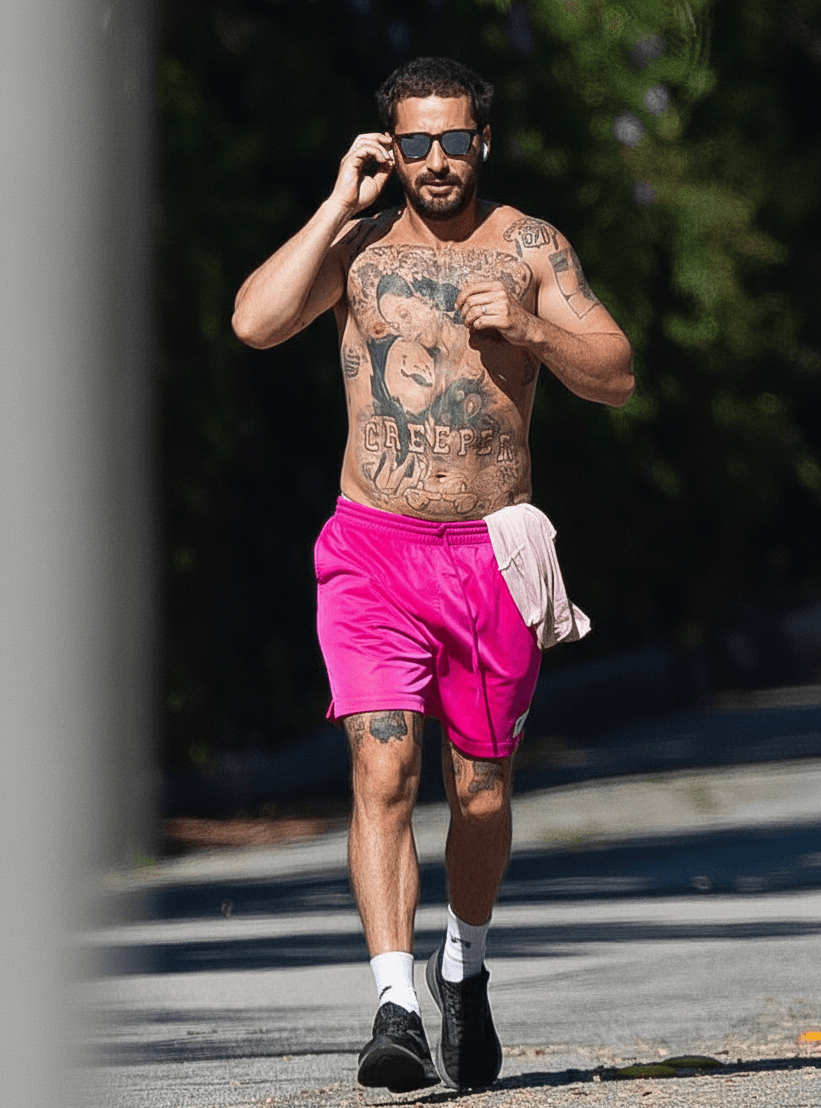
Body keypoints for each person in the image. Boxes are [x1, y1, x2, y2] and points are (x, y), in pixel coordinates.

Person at [232, 56, 634, 1093]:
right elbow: (253, 321)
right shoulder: (355, 249)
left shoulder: (530, 246)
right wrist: (332, 205)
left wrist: (532, 330)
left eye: (454, 139)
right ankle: (394, 1004)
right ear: (389, 147)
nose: (436, 160)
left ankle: (463, 961)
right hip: (370, 547)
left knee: (482, 791)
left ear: (480, 141)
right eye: (415, 142)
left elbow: (618, 375)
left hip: (491, 556)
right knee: (379, 769)